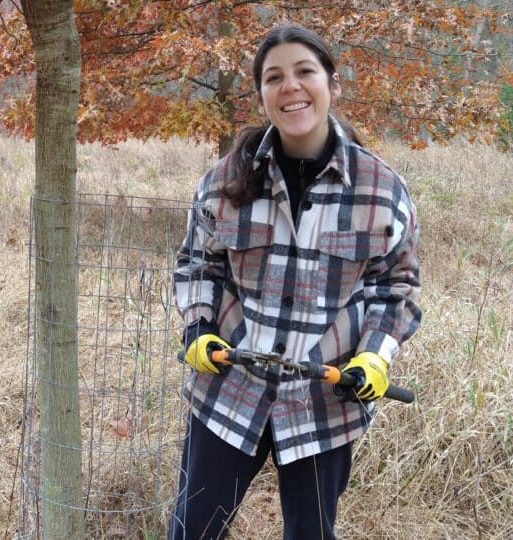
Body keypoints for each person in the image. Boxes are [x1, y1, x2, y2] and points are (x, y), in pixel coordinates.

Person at [170, 23, 421, 540]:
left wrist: (376, 354)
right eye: (274, 77)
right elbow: (199, 265)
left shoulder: (381, 189)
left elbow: (396, 285)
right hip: (228, 390)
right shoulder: (224, 180)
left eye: (305, 72)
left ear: (332, 83)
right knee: (192, 530)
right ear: (261, 93)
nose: (291, 87)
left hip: (324, 402)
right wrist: (197, 328)